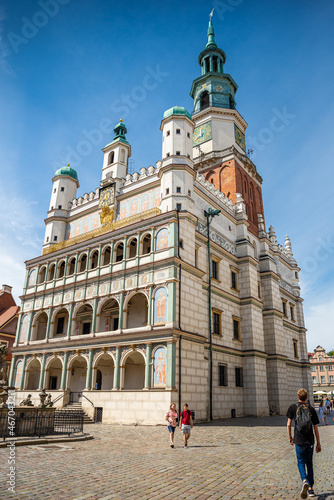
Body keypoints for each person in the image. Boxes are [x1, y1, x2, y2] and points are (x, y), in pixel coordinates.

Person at [287, 388, 321, 499]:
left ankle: (304, 480)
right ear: (307, 397)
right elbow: (315, 427)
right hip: (310, 440)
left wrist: (290, 437)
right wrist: (318, 443)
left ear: (298, 397)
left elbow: (288, 424)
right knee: (309, 463)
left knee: (300, 462)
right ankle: (311, 489)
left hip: (299, 440)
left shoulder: (293, 407)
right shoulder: (311, 408)